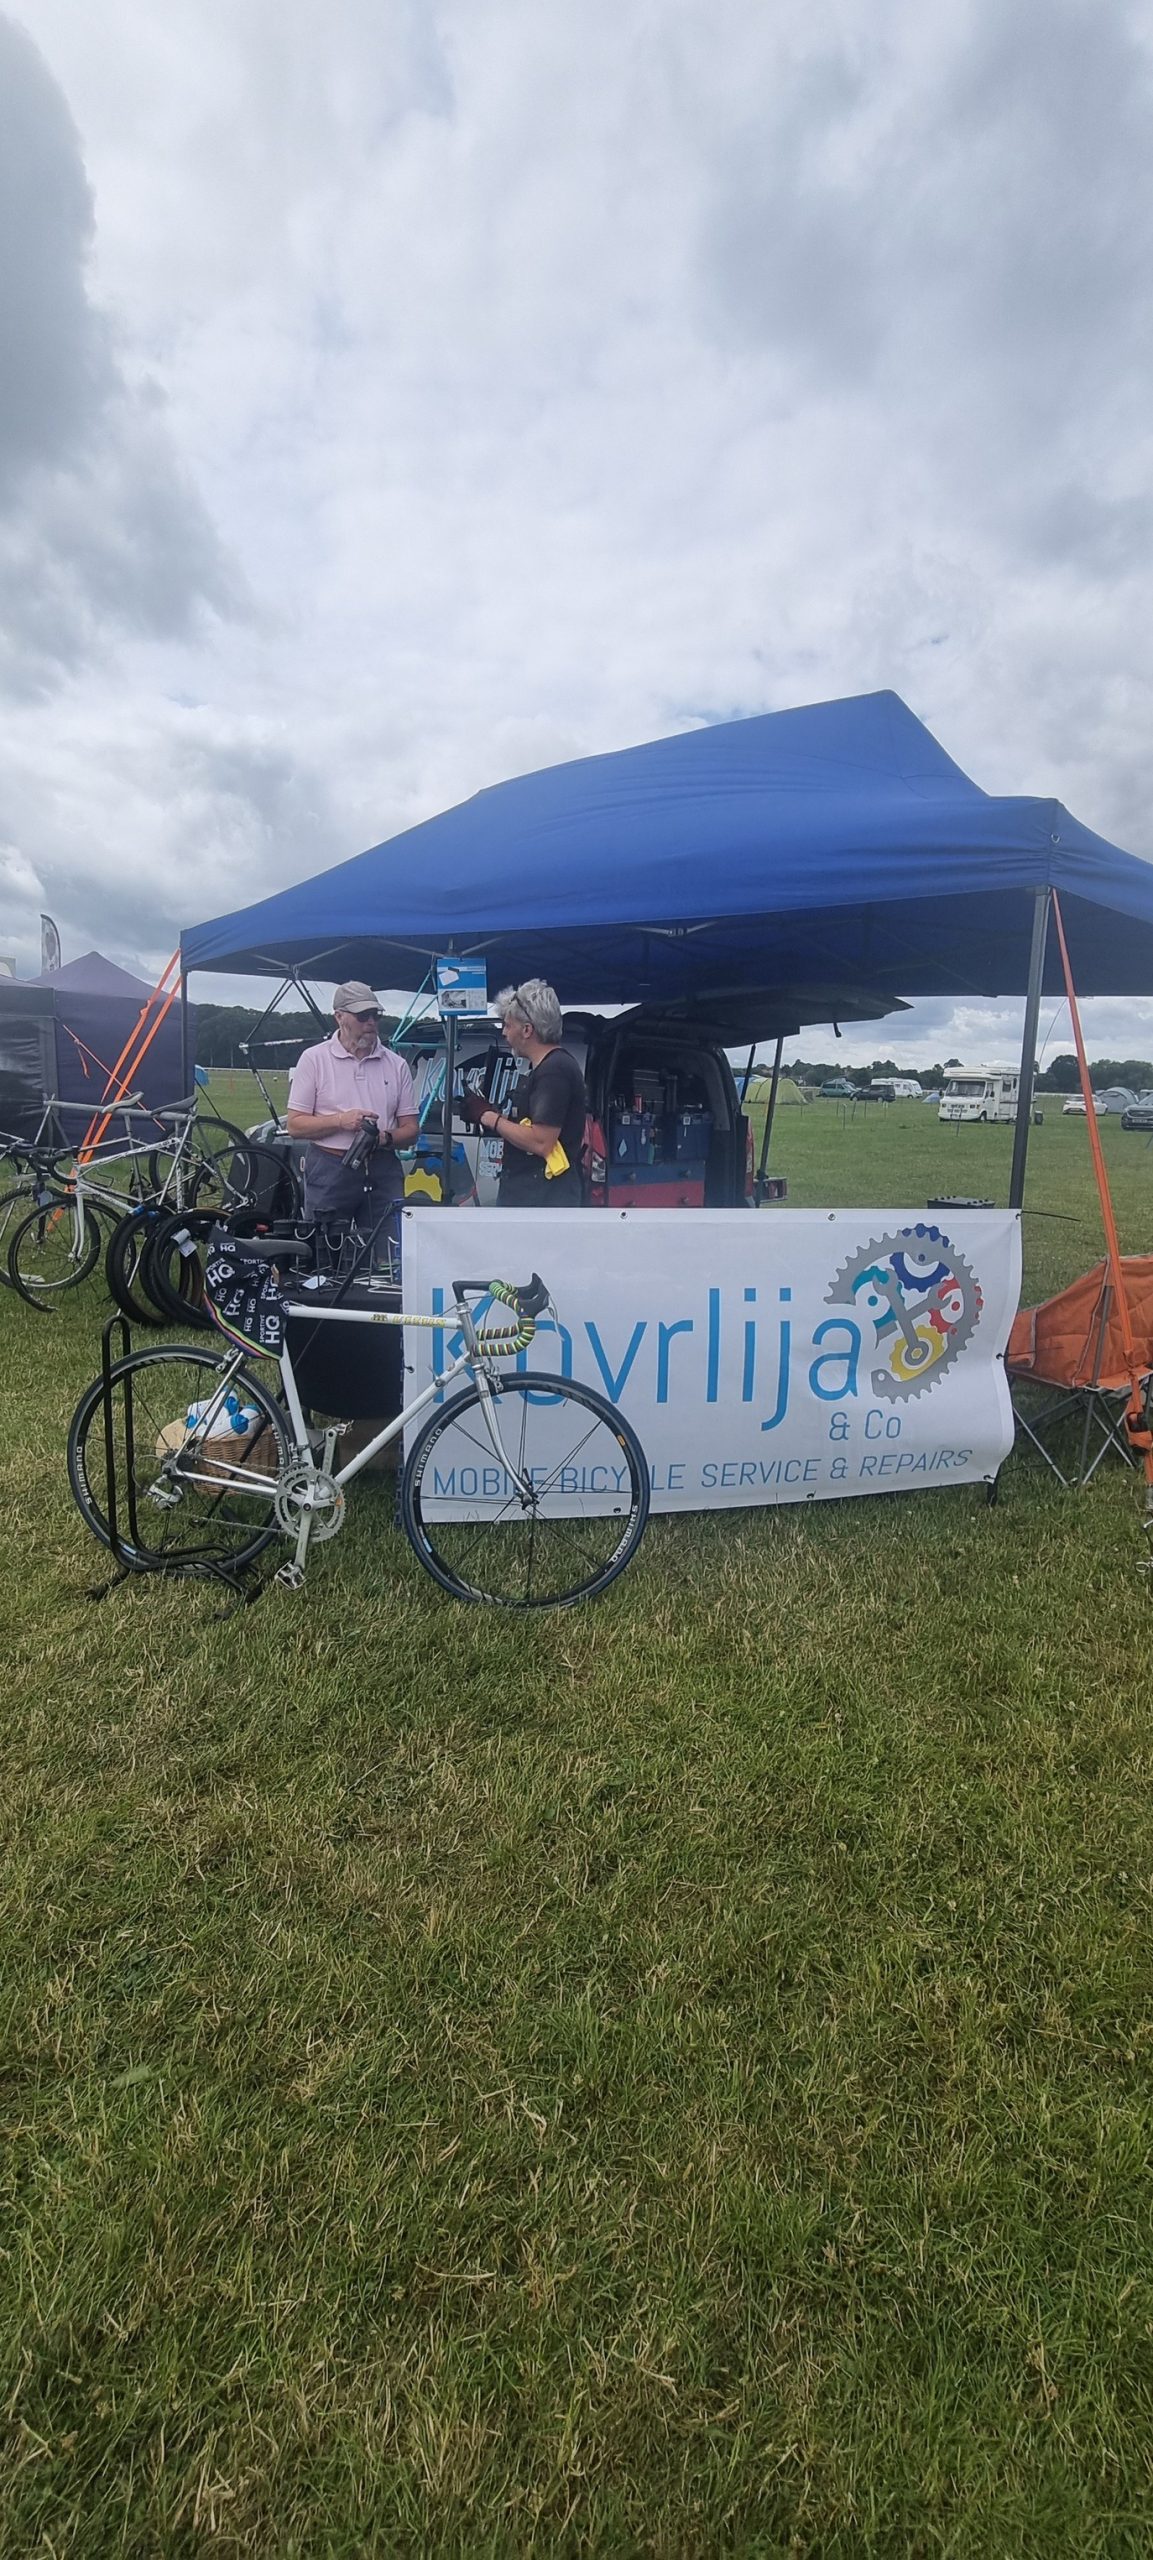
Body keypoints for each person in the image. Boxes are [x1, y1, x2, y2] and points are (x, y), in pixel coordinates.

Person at [286, 981, 419, 1231]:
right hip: (330, 1164)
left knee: (389, 1245)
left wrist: (384, 1138)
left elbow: (411, 1130)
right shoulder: (314, 1059)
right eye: (362, 1015)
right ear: (339, 1017)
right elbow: (295, 1125)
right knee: (327, 1245)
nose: (371, 1022)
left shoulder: (396, 1064)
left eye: (376, 1015)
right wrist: (341, 1121)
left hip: (382, 1166)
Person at [458, 979, 586, 1206]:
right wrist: (496, 1116)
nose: (504, 1033)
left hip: (542, 1198)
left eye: (508, 1025)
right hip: (533, 1194)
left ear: (527, 1030)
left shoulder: (554, 1070)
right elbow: (532, 1127)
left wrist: (488, 1117)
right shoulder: (548, 1067)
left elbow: (541, 1142)